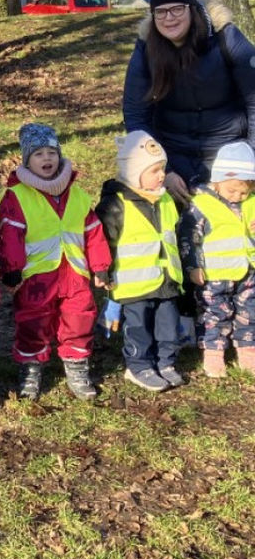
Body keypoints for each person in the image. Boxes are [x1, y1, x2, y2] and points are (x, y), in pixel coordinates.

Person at [0, 123, 112, 401]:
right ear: (26, 160)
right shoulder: (17, 196)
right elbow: (10, 235)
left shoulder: (77, 194)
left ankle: (77, 365)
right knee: (33, 321)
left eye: (51, 152)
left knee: (80, 318)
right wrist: (11, 269)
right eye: (38, 154)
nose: (46, 159)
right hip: (36, 276)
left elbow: (92, 231)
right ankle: (31, 368)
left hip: (74, 271)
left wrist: (100, 265)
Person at [123, 0, 255, 201]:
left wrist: (245, 164)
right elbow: (135, 114)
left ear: (191, 8)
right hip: (171, 157)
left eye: (177, 9)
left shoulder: (227, 38)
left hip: (229, 156)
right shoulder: (146, 47)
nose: (169, 18)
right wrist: (162, 168)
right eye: (160, 11)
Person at [95, 131, 184, 392]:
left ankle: (166, 361)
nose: (161, 175)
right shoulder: (116, 204)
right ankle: (138, 365)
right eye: (154, 170)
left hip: (167, 280)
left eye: (163, 169)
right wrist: (103, 273)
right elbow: (104, 241)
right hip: (134, 286)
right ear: (134, 173)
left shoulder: (166, 198)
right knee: (139, 328)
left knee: (168, 324)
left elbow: (174, 236)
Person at [177, 141, 255, 378]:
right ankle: (213, 352)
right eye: (232, 190)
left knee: (249, 311)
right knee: (214, 314)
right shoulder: (201, 205)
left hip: (247, 272)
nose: (238, 196)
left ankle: (247, 349)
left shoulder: (251, 203)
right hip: (214, 274)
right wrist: (192, 266)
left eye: (245, 191)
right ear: (217, 180)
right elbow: (189, 238)